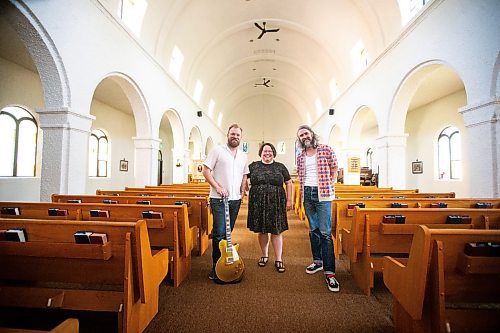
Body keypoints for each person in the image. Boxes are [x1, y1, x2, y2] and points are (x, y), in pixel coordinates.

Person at [203, 124, 249, 282]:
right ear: (227, 134)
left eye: (238, 134)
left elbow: (245, 174)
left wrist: (243, 191)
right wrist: (217, 187)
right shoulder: (217, 150)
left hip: (235, 199)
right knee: (219, 234)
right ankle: (217, 268)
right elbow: (206, 170)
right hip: (218, 199)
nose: (235, 136)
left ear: (240, 137)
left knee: (228, 234)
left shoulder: (243, 155)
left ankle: (224, 263)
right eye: (233, 134)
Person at [296, 125, 340, 292]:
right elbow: (301, 175)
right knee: (313, 230)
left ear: (312, 134)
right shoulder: (300, 156)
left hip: (323, 195)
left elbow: (335, 167)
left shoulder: (326, 149)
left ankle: (330, 273)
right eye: (301, 135)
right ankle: (318, 262)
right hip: (307, 194)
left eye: (306, 133)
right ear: (299, 139)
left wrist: (331, 184)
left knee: (325, 233)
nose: (304, 137)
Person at [247, 143, 292, 273]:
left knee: (276, 231)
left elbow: (288, 183)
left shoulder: (280, 166)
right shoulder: (253, 166)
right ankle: (264, 255)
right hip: (258, 203)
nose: (267, 153)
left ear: (274, 153)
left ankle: (279, 259)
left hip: (277, 202)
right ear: (260, 152)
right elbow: (243, 176)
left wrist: (289, 200)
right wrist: (244, 187)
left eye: (270, 151)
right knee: (262, 230)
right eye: (265, 151)